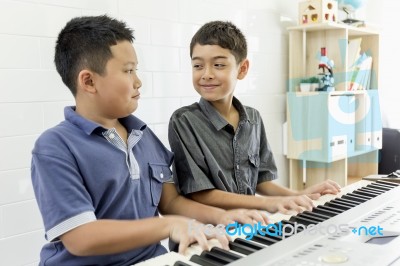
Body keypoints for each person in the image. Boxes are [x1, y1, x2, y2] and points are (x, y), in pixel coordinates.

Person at [30, 15, 269, 266]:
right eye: (128, 70)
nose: (138, 81)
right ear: (89, 81)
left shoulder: (142, 136)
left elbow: (172, 202)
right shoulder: (55, 147)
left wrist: (226, 217)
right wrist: (170, 225)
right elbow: (81, 238)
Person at [168, 20, 341, 215]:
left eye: (218, 65)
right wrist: (266, 204)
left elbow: (262, 180)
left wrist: (298, 194)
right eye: (198, 65)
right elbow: (200, 193)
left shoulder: (253, 118)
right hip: (206, 233)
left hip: (248, 225)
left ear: (242, 69)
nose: (206, 74)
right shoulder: (183, 121)